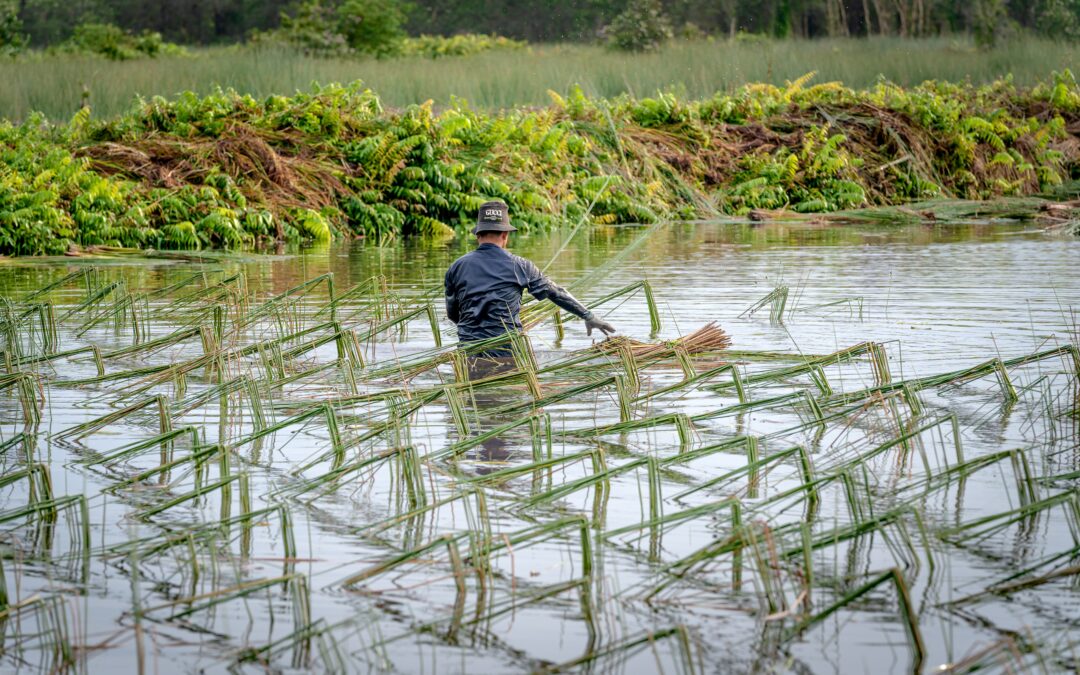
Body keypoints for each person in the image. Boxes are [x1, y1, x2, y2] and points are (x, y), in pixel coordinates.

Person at [444, 201, 615, 366]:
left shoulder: (456, 267)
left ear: (478, 235)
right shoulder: (520, 266)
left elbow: (453, 314)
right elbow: (556, 292)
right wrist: (588, 316)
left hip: (468, 356)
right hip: (507, 355)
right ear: (505, 236)